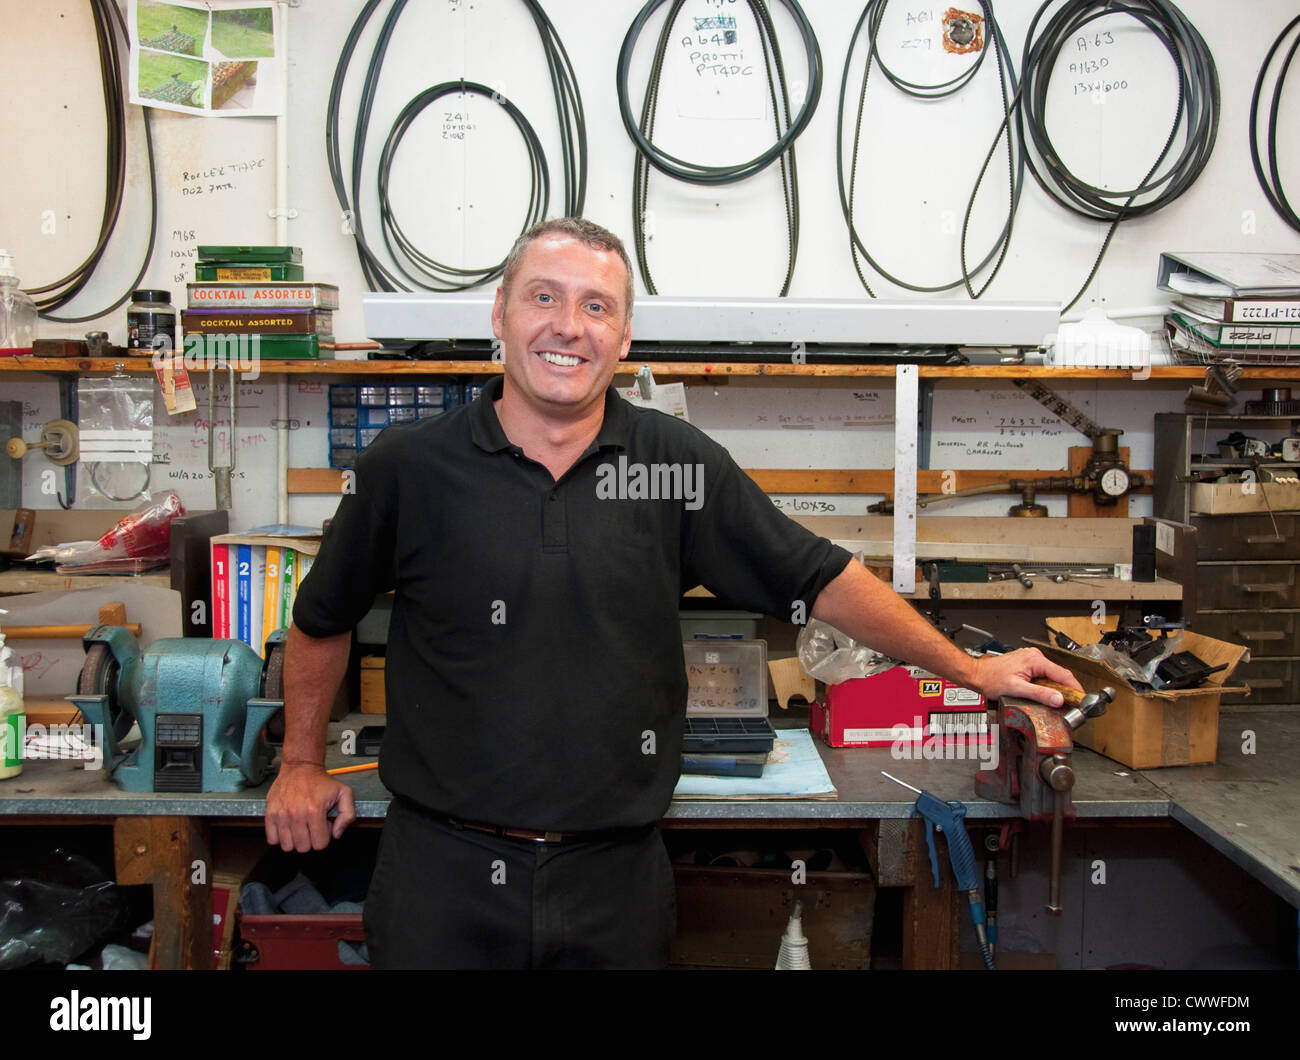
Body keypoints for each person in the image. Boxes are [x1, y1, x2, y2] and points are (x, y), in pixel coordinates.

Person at [264, 216, 1080, 969]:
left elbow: (818, 576)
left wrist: (973, 672)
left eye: (596, 306)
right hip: (440, 875)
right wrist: (300, 760)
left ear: (622, 336)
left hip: (613, 882)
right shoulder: (409, 469)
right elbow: (320, 618)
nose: (567, 325)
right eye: (543, 297)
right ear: (500, 315)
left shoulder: (673, 465)